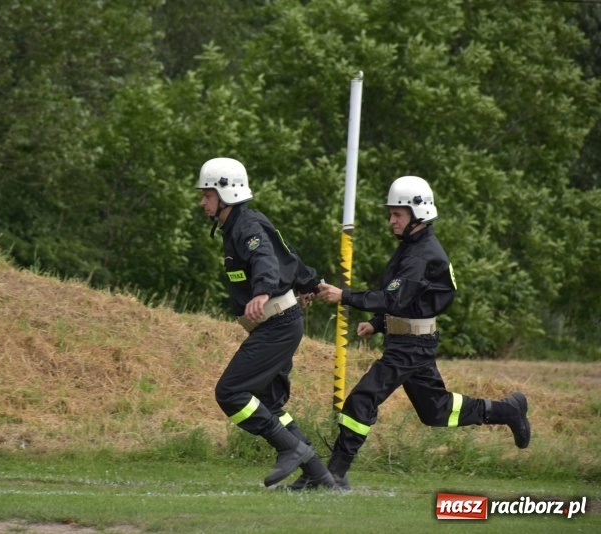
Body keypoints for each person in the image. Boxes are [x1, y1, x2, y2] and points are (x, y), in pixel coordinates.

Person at [315, 175, 531, 491]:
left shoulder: (420, 254)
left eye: (397, 214)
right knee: (436, 410)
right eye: (391, 213)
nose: (391, 220)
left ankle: (334, 474)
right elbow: (406, 300)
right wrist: (378, 323)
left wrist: (344, 295)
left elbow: (394, 298)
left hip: (411, 346)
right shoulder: (411, 248)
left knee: (362, 398)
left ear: (419, 213)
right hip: (410, 341)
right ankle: (507, 410)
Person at [196, 157, 335, 490]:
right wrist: (309, 284)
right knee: (271, 404)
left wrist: (261, 291)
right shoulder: (239, 225)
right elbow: (289, 255)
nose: (202, 202)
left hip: (279, 324)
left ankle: (290, 449)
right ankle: (322, 478)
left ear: (227, 193)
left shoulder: (246, 226)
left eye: (207, 194)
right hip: (278, 323)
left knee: (229, 392)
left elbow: (266, 260)